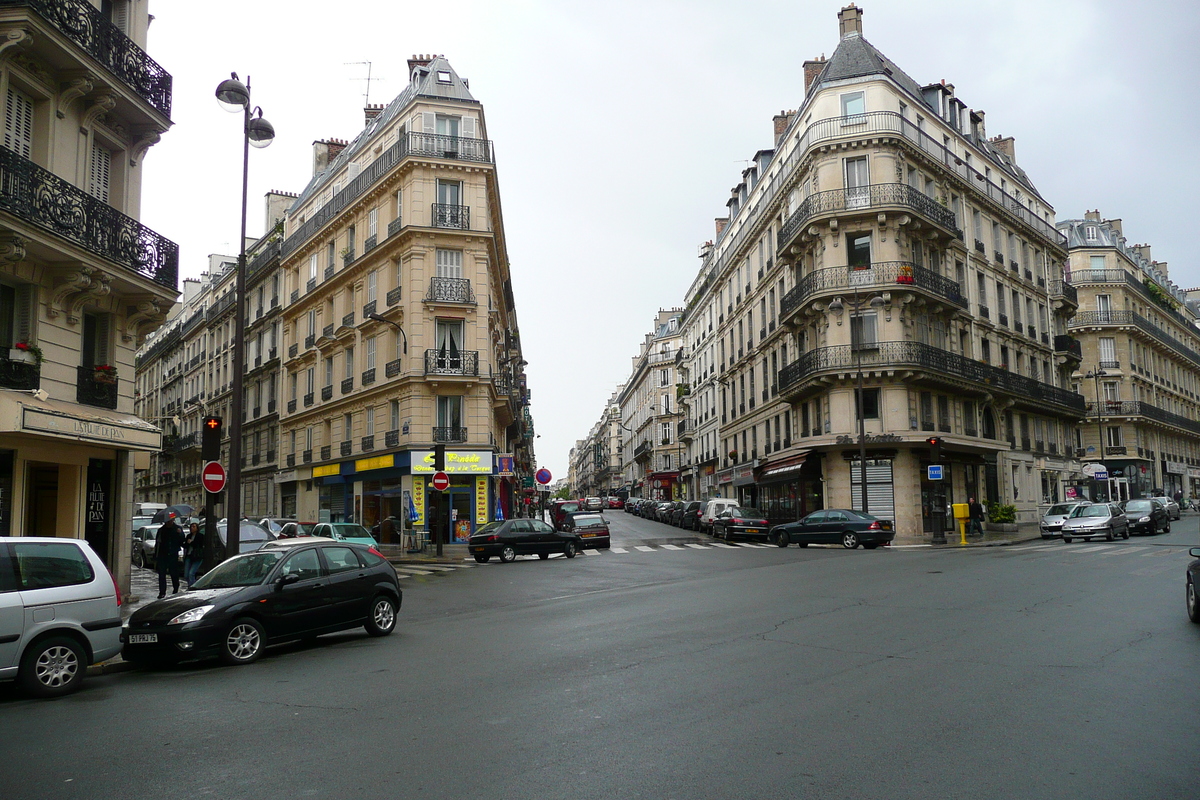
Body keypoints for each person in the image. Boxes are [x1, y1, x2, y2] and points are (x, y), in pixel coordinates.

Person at [156, 515, 184, 599]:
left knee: (174, 573)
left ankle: (176, 588)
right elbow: (158, 543)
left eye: (171, 520)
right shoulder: (161, 530)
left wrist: (180, 534)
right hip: (162, 555)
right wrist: (156, 555)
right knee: (161, 574)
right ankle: (162, 592)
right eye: (168, 520)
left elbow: (182, 541)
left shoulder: (177, 529)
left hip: (173, 554)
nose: (169, 522)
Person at [182, 521, 204, 587]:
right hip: (189, 556)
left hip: (197, 556)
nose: (192, 528)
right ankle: (191, 584)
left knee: (191, 573)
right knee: (186, 575)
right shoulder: (189, 536)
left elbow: (199, 545)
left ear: (197, 528)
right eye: (191, 527)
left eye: (194, 527)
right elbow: (185, 546)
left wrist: (191, 542)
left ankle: (192, 587)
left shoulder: (200, 536)